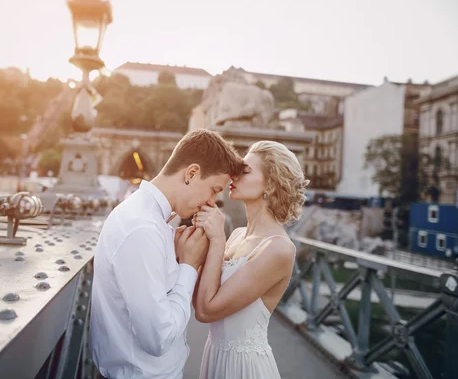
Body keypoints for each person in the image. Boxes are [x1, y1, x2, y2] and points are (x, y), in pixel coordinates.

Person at [90, 129, 246, 379]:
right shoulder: (143, 228)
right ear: (192, 173)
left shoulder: (150, 220)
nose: (212, 203)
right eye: (214, 189)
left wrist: (173, 260)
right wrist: (188, 266)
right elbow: (157, 339)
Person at [193, 140, 309, 379]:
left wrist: (216, 239)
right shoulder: (236, 236)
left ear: (271, 186)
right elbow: (200, 298)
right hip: (215, 355)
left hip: (244, 368)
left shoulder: (278, 248)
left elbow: (206, 311)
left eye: (245, 171)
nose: (234, 174)